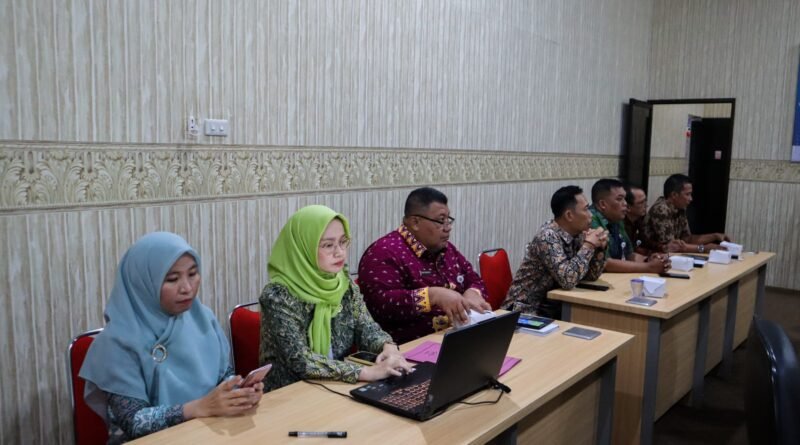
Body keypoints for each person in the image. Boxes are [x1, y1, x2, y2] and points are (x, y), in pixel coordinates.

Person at [80, 232, 263, 444]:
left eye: (193, 274)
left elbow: (224, 376)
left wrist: (240, 391)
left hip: (208, 434)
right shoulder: (116, 343)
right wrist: (195, 408)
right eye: (172, 279)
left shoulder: (202, 319)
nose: (187, 288)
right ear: (143, 283)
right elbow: (134, 422)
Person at [259, 205, 413, 392]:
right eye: (328, 245)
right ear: (303, 248)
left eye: (343, 242)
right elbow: (300, 360)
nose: (339, 252)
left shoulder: (343, 284)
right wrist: (366, 372)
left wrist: (387, 347)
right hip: (289, 393)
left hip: (336, 386)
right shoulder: (277, 296)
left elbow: (366, 328)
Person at [358, 187, 491, 344]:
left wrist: (472, 292)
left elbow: (474, 279)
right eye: (441, 220)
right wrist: (431, 296)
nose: (448, 227)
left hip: (456, 339)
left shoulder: (447, 249)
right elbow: (381, 305)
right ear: (415, 222)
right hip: (407, 347)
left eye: (448, 220)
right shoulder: (383, 252)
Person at [502, 186, 608, 319]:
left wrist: (599, 249)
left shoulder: (578, 234)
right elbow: (568, 280)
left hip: (552, 307)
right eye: (586, 209)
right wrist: (589, 245)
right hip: (524, 310)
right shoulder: (548, 236)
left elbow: (590, 276)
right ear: (569, 215)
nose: (590, 215)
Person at [589, 179, 670, 273]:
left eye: (625, 198)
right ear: (603, 204)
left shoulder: (616, 218)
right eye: (619, 199)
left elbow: (628, 254)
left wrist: (649, 259)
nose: (625, 203)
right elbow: (604, 263)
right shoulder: (591, 220)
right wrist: (648, 267)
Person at [643, 174, 730, 253]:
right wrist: (703, 248)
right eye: (687, 194)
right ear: (674, 195)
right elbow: (673, 247)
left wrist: (715, 236)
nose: (691, 199)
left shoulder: (680, 209)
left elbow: (687, 239)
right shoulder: (661, 210)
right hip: (651, 257)